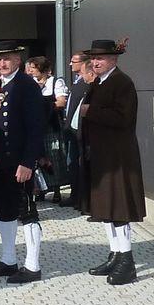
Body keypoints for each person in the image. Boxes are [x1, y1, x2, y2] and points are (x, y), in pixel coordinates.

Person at [0, 41, 46, 284]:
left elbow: (36, 128)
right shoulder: (1, 84)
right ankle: (8, 260)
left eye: (7, 58)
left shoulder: (26, 85)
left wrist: (28, 162)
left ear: (18, 60)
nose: (2, 63)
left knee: (26, 211)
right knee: (4, 210)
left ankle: (32, 266)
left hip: (18, 162)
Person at [80, 39, 145, 285]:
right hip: (101, 154)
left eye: (101, 58)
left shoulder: (122, 82)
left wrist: (90, 112)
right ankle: (115, 254)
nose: (95, 62)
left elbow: (124, 118)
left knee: (119, 208)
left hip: (118, 156)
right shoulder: (99, 82)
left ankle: (127, 260)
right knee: (106, 207)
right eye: (93, 58)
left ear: (114, 59)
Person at [25, 56, 69, 203]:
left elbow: (61, 102)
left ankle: (56, 189)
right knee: (37, 155)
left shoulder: (55, 82)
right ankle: (40, 189)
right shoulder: (30, 83)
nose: (31, 70)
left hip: (51, 124)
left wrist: (44, 106)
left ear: (42, 69)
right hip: (35, 124)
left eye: (33, 67)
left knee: (54, 155)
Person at [61, 52, 90, 208]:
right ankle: (75, 195)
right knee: (71, 163)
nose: (70, 64)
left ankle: (79, 197)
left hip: (78, 130)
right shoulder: (78, 81)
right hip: (71, 130)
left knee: (77, 163)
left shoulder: (86, 83)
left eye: (74, 61)